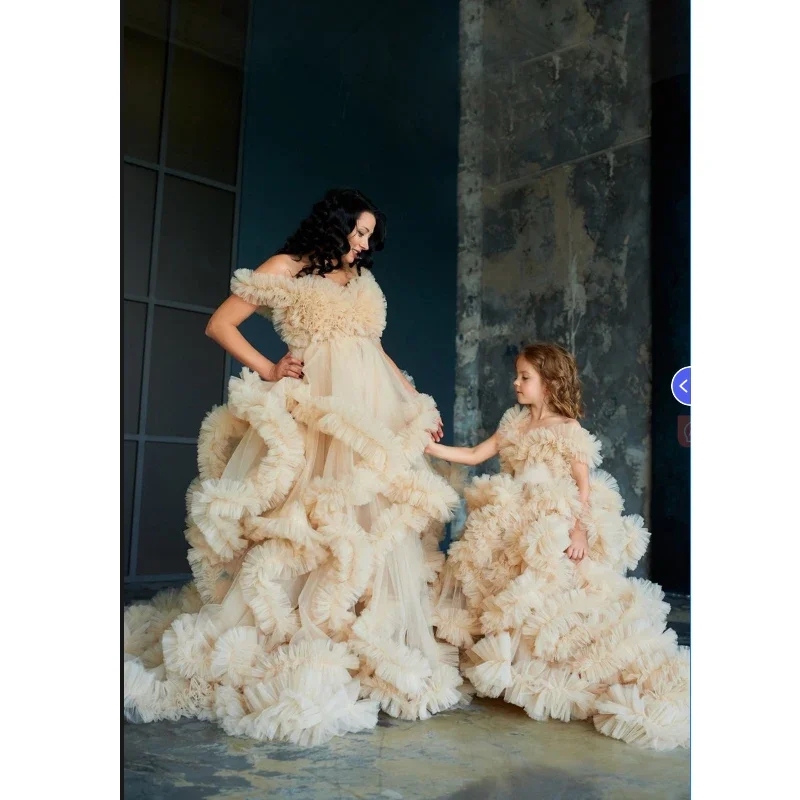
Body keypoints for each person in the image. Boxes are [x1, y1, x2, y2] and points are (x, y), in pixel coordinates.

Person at [124, 188, 468, 745]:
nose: (362, 245)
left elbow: (375, 350)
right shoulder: (286, 268)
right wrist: (270, 367)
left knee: (365, 520)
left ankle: (357, 636)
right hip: (315, 409)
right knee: (307, 519)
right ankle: (296, 638)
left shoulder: (361, 281)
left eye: (368, 237)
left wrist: (415, 403)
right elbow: (221, 324)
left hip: (368, 411)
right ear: (332, 226)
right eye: (356, 232)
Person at [427, 343, 689, 750]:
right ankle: (506, 672)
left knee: (551, 601)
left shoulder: (569, 430)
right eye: (517, 375)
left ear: (549, 383)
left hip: (552, 523)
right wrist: (427, 447)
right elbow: (478, 454)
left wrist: (579, 532)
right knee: (501, 591)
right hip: (511, 520)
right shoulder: (514, 422)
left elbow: (583, 488)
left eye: (524, 377)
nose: (516, 382)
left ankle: (549, 675)